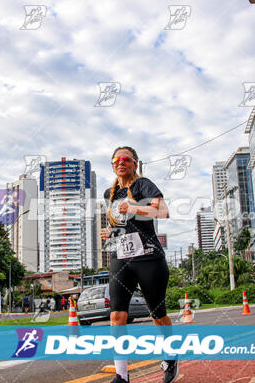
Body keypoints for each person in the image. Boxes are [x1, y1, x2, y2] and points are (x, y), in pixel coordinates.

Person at [100, 146, 178, 383]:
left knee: (158, 314)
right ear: (113, 165)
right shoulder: (109, 194)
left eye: (126, 159)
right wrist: (109, 232)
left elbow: (163, 212)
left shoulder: (143, 185)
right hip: (120, 257)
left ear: (135, 163)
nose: (121, 162)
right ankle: (122, 376)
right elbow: (120, 224)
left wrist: (134, 207)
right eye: (117, 159)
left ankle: (171, 355)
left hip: (148, 256)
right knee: (116, 316)